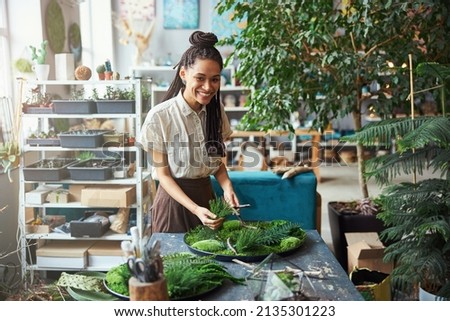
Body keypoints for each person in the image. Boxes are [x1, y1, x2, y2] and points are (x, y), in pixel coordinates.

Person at [139, 31, 240, 233]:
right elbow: (164, 176)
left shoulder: (216, 111)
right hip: (173, 206)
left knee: (210, 262)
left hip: (207, 200)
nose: (208, 87)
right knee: (175, 264)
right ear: (183, 74)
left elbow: (216, 162)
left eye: (215, 79)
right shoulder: (160, 116)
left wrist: (227, 187)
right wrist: (195, 209)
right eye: (200, 78)